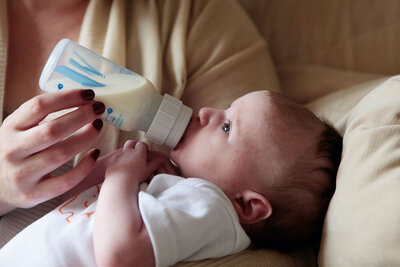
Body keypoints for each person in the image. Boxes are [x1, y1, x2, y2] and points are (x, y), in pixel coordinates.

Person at [0, 91, 342, 267]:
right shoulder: (183, 194)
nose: (207, 112)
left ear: (247, 205)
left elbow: (118, 256)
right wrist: (114, 169)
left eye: (226, 127)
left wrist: (122, 175)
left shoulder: (211, 207)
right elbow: (77, 211)